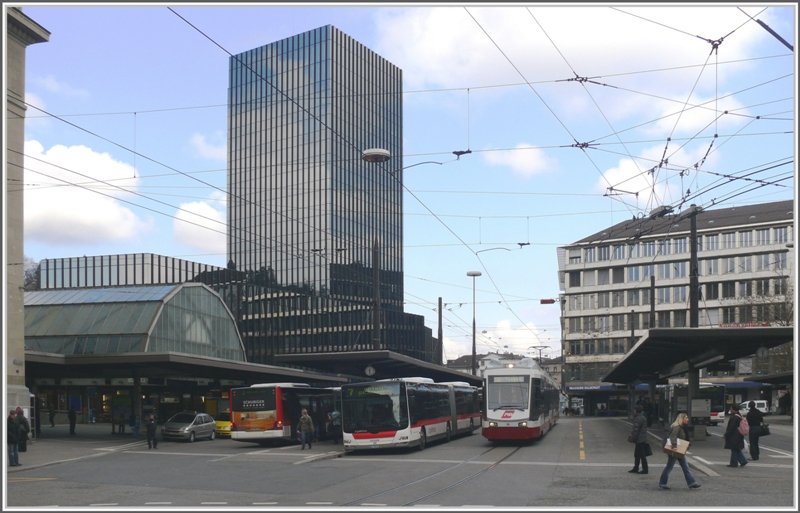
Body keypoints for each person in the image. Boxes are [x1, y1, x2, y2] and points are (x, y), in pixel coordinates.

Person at [658, 412, 701, 490]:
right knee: (670, 467)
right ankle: (662, 483)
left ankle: (691, 482)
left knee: (685, 467)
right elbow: (672, 437)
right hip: (675, 450)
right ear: (682, 419)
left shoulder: (682, 427)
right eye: (686, 418)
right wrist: (674, 447)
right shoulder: (677, 427)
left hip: (679, 450)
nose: (688, 419)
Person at [724, 403, 748, 467]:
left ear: (734, 409)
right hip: (738, 435)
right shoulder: (739, 416)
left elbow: (731, 427)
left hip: (734, 435)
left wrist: (727, 434)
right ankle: (743, 461)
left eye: (731, 408)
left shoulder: (735, 417)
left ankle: (734, 463)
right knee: (736, 449)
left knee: (734, 449)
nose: (730, 409)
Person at [628, 405, 649, 474]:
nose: (633, 411)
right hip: (642, 438)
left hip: (640, 439)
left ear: (636, 411)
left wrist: (632, 438)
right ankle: (636, 468)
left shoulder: (638, 418)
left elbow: (636, 430)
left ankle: (645, 469)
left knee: (642, 455)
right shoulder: (643, 417)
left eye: (634, 410)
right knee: (637, 454)